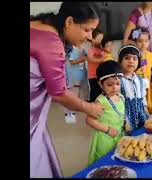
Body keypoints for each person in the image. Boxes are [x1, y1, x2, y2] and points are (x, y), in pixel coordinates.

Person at [30, 2, 104, 178]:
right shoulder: (52, 43)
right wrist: (90, 108)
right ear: (69, 22)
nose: (90, 37)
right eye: (87, 30)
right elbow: (59, 93)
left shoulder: (39, 25)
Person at [87, 61, 125, 166]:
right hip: (105, 137)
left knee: (116, 161)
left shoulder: (121, 97)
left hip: (119, 135)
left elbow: (122, 114)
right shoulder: (101, 101)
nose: (115, 88)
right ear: (100, 84)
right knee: (104, 162)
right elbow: (89, 120)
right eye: (109, 84)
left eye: (118, 84)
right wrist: (107, 130)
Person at [118, 45, 149, 132]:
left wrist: (147, 114)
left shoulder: (140, 80)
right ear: (120, 61)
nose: (131, 61)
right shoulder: (118, 81)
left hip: (141, 115)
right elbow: (119, 103)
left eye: (134, 59)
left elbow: (143, 98)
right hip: (126, 117)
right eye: (127, 58)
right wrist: (126, 121)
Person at [131, 27, 152, 114]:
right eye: (140, 41)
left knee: (151, 106)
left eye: (146, 41)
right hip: (137, 85)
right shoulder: (132, 56)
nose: (143, 44)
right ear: (135, 42)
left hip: (150, 85)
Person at [64, 43, 88, 123]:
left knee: (78, 95)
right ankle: (70, 117)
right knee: (72, 96)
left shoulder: (83, 48)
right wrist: (83, 59)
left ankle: (74, 113)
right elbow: (72, 61)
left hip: (81, 76)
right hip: (73, 76)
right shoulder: (73, 49)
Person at [87, 29, 106, 102]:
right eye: (99, 39)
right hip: (93, 75)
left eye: (102, 39)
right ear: (92, 39)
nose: (100, 41)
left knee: (101, 91)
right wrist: (101, 60)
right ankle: (92, 104)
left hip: (100, 75)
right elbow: (90, 59)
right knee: (94, 91)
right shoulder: (91, 50)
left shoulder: (102, 50)